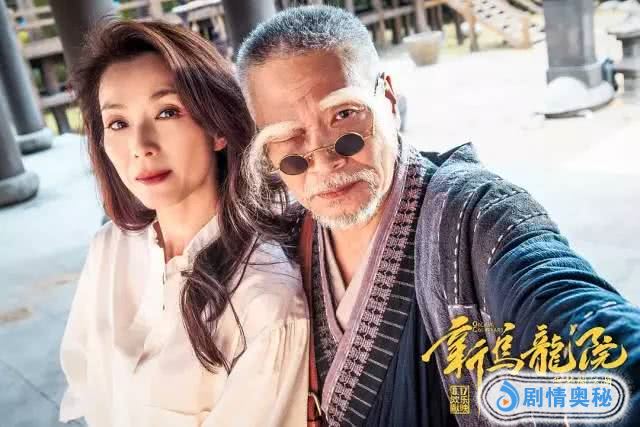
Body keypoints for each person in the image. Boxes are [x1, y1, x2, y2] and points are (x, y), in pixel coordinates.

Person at [236, 6, 640, 426]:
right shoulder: (282, 248)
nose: (323, 161)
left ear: (388, 99)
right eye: (288, 136)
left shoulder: (476, 218)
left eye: (343, 114)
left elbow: (563, 302)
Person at [59, 20, 308, 427]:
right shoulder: (109, 247)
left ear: (217, 129)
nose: (141, 146)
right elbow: (85, 383)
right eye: (118, 123)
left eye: (167, 112)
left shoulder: (266, 302)